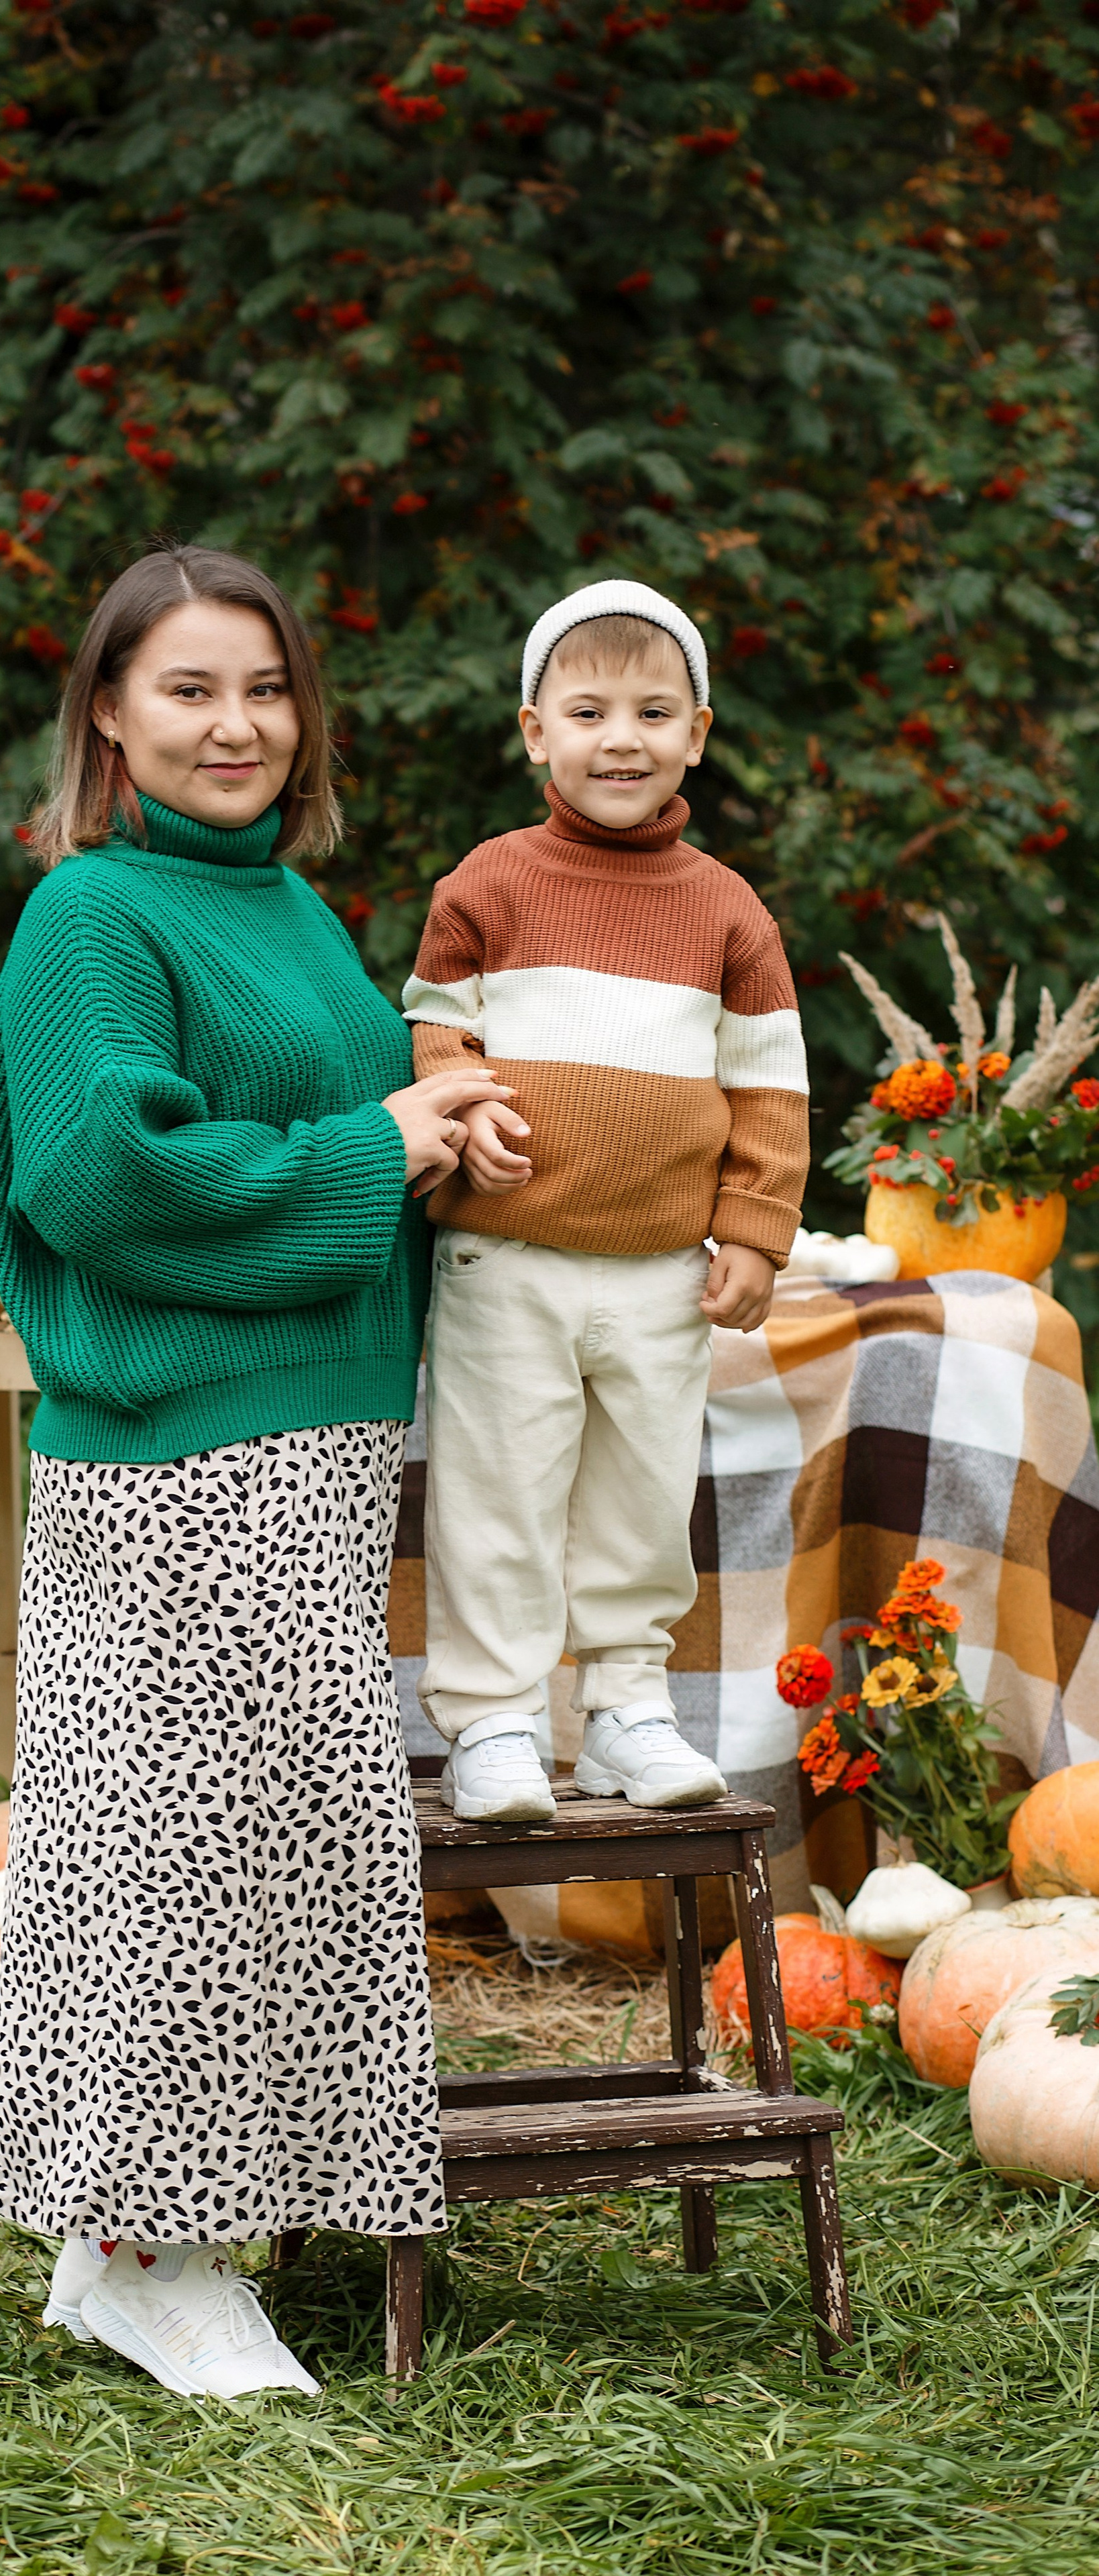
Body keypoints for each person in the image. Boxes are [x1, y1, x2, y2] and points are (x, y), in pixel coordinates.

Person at [0, 542, 509, 2399]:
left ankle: (132, 2234)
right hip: (183, 1453)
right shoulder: (92, 921)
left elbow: (339, 1129)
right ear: (108, 715)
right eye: (191, 688)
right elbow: (104, 1182)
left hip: (314, 1441)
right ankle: (157, 2254)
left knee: (263, 1846)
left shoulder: (287, 908)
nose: (237, 724)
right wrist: (383, 1138)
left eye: (266, 687)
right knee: (190, 1858)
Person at [402, 579, 809, 1823]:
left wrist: (752, 1227)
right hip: (506, 1263)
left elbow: (770, 1083)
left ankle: (630, 1707)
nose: (619, 738)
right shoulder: (492, 884)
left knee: (642, 1497)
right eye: (588, 712)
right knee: (500, 1493)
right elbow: (437, 1035)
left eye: (652, 712)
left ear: (697, 732)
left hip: (656, 1272)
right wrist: (468, 1116)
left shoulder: (725, 908)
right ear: (536, 732)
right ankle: (496, 1725)